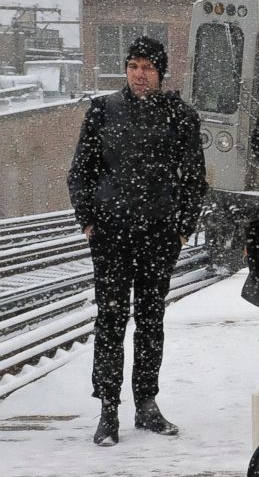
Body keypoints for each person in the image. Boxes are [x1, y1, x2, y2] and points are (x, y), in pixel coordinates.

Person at [67, 36, 208, 446]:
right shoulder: (102, 112)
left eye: (147, 67)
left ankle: (146, 403)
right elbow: (80, 172)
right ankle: (108, 408)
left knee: (151, 320)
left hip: (158, 235)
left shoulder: (180, 116)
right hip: (110, 235)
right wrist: (88, 220)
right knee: (110, 321)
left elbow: (195, 179)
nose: (139, 74)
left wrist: (182, 227)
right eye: (133, 66)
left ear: (160, 72)